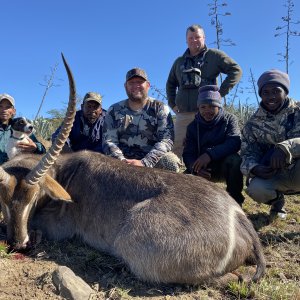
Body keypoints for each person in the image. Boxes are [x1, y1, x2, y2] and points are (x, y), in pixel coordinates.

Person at [166, 24, 242, 158]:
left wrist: (219, 94)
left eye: (197, 37)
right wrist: (172, 104)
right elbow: (170, 84)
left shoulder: (214, 55)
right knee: (177, 149)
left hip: (208, 113)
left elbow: (236, 70)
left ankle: (209, 176)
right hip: (183, 114)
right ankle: (178, 178)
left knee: (207, 147)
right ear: (186, 40)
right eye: (190, 38)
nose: (194, 40)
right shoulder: (179, 62)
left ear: (204, 38)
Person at [240, 69, 300, 219]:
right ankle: (277, 203)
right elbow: (247, 154)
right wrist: (254, 168)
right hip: (276, 175)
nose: (271, 96)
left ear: (285, 92)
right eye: (265, 92)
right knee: (256, 189)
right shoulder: (252, 124)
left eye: (276, 91)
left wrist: (286, 148)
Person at [103, 67, 181, 172]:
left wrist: (145, 162)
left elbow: (166, 140)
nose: (136, 86)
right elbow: (109, 141)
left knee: (171, 162)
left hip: (151, 160)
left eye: (140, 82)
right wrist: (121, 162)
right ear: (125, 86)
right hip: (120, 162)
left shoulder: (160, 107)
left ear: (148, 86)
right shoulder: (113, 110)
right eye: (131, 83)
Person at [182, 85, 244, 205]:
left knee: (235, 160)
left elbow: (235, 142)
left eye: (212, 106)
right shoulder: (192, 127)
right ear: (198, 108)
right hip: (202, 169)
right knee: (180, 186)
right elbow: (188, 153)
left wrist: (210, 154)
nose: (207, 111)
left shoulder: (230, 119)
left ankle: (236, 201)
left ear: (219, 106)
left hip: (224, 168)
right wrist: (194, 169)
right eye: (203, 107)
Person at [0, 93, 46, 164]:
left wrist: (35, 147)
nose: (4, 110)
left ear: (13, 111)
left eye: (8, 107)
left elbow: (42, 150)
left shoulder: (23, 129)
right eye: (0, 106)